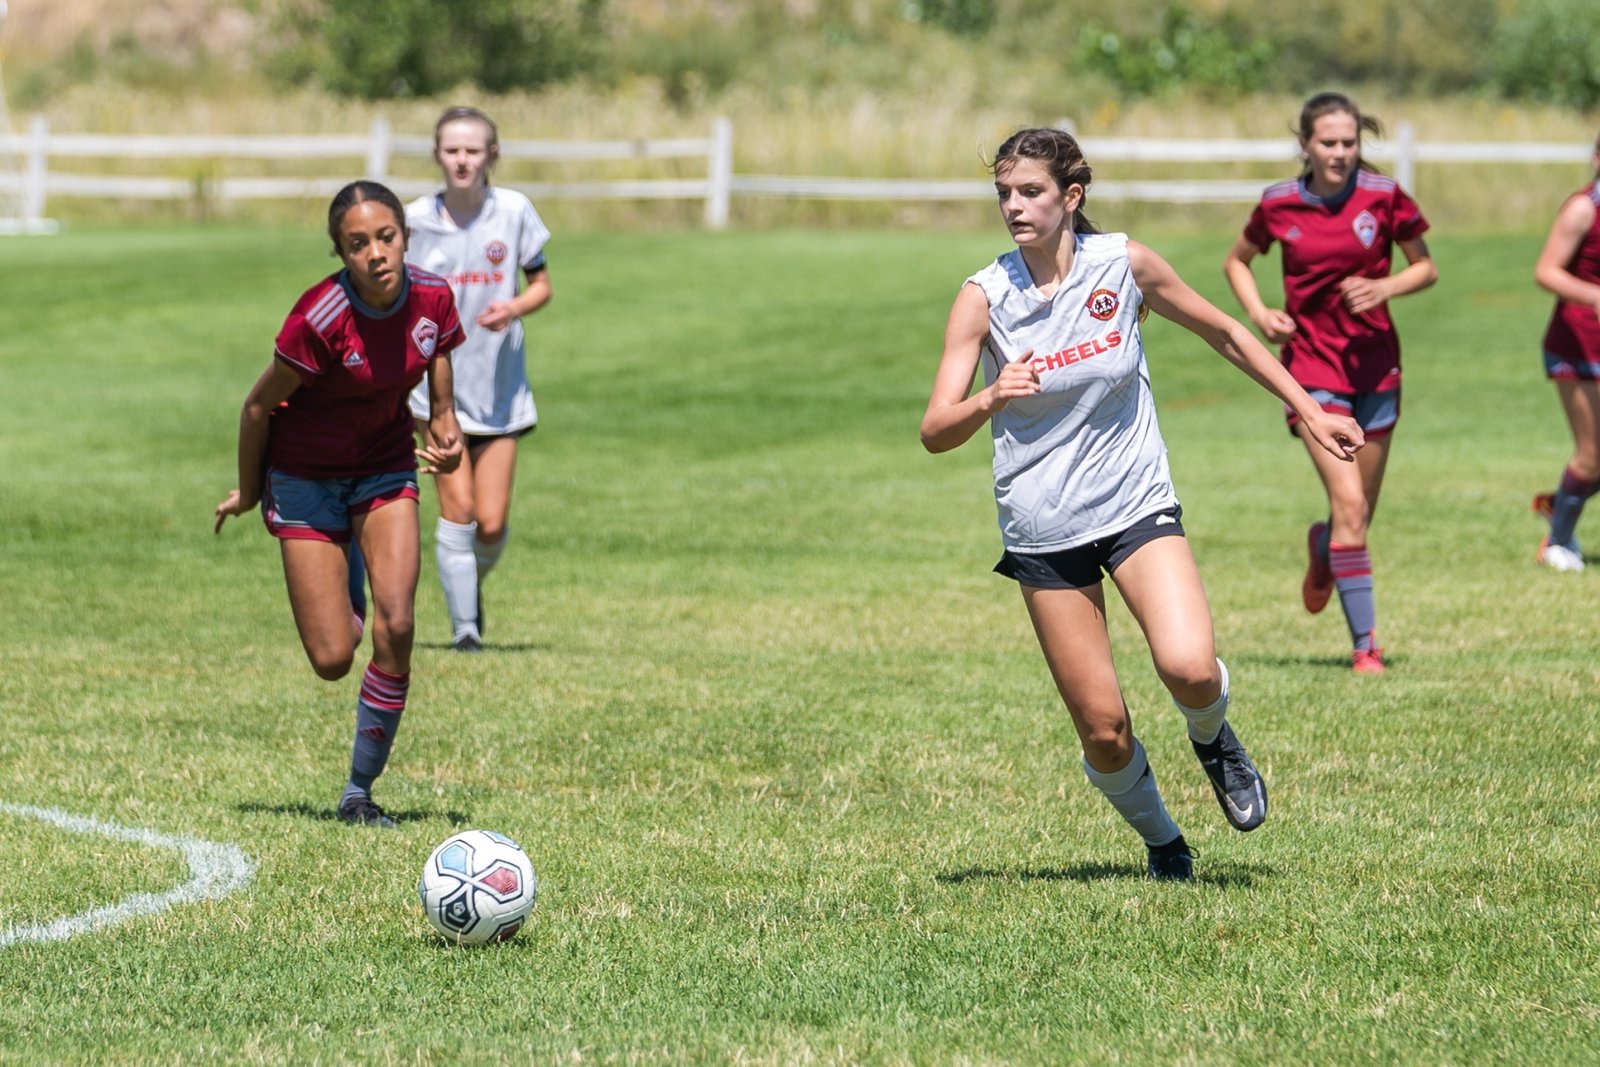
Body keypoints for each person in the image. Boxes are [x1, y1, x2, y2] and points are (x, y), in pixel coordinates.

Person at [920, 127, 1364, 881]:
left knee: (1190, 668)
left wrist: (1312, 409)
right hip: (1042, 527)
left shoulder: (1123, 265)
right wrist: (990, 396)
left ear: (1071, 196)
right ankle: (1165, 842)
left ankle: (1213, 736)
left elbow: (1226, 332)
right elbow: (935, 430)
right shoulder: (983, 296)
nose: (1014, 206)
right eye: (1004, 193)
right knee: (1104, 731)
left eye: (1030, 191)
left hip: (1134, 503)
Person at [215, 180, 465, 827]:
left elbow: (439, 384)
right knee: (331, 659)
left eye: (386, 237)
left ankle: (359, 791)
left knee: (398, 625)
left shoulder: (434, 298)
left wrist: (447, 434)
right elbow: (256, 407)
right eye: (358, 244)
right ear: (341, 253)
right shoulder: (319, 319)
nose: (375, 253)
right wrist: (250, 491)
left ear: (405, 237)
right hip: (305, 476)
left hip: (383, 467)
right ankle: (344, 560)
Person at [1223, 91, 1437, 674]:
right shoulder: (1279, 204)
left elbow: (1425, 266)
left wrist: (1385, 287)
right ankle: (1366, 647)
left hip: (1376, 367)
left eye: (1349, 142)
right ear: (1305, 145)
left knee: (1357, 513)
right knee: (1349, 503)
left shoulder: (1384, 196)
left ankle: (1324, 547)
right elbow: (1237, 261)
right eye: (1329, 142)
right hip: (1312, 369)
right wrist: (1261, 313)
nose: (1340, 152)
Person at [403, 105, 554, 651]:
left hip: (499, 391)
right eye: (452, 150)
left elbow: (542, 284)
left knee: (490, 524)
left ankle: (467, 586)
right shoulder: (414, 220)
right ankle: (465, 630)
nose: (462, 160)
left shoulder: (513, 211)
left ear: (492, 154)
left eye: (472, 150)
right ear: (436, 155)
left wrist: (512, 306)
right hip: (435, 395)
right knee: (459, 512)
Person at [1529, 130, 1600, 573]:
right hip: (1578, 347)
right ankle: (1557, 541)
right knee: (1592, 455)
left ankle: (1560, 501)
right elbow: (1546, 271)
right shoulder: (1583, 208)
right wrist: (1595, 296)